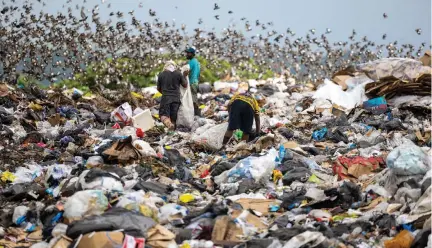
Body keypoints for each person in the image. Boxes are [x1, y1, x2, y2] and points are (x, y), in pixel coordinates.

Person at [157, 61, 187, 130]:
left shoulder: (161, 74)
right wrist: (185, 76)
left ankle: (169, 124)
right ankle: (172, 133)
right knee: (173, 118)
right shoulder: (178, 74)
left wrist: (165, 93)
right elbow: (185, 85)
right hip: (176, 98)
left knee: (163, 115)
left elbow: (158, 88)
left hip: (166, 99)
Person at [185, 47, 201, 116]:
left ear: (192, 54)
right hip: (196, 82)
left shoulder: (191, 62)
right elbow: (199, 74)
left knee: (193, 99)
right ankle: (196, 114)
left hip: (192, 82)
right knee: (194, 98)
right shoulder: (197, 62)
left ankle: (197, 115)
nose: (187, 54)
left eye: (188, 53)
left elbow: (187, 72)